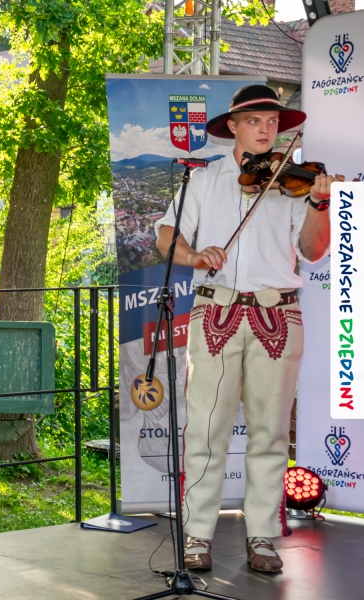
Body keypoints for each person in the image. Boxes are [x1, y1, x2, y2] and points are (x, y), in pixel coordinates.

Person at [154, 85, 344, 574]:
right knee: (206, 432)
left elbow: (314, 250)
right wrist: (195, 255)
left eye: (273, 122)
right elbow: (166, 235)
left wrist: (321, 204)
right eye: (255, 121)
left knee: (271, 434)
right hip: (214, 310)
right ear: (233, 127)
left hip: (278, 313)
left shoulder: (294, 181)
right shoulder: (205, 179)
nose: (266, 130)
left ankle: (262, 535)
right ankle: (197, 535)